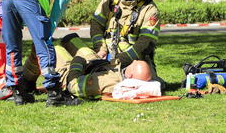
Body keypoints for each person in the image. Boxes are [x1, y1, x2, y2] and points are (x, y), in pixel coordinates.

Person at [1, 0, 86, 106]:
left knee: (12, 43)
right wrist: (49, 28)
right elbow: (61, 0)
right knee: (44, 44)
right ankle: (54, 93)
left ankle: (18, 92)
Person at [24, 33, 154, 100]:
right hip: (95, 63)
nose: (133, 61)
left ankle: (26, 82)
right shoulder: (128, 74)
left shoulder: (107, 82)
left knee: (47, 47)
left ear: (130, 76)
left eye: (134, 64)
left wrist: (77, 61)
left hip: (71, 73)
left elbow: (74, 86)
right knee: (72, 39)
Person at [90, 0, 161, 78]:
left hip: (132, 59)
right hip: (105, 54)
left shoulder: (150, 11)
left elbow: (145, 44)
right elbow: (96, 24)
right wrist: (100, 48)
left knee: (144, 77)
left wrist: (119, 60)